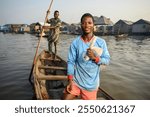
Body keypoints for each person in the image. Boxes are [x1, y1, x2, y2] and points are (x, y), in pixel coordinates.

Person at [63, 13, 110, 100]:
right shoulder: (75, 43)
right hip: (76, 82)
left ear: (93, 25)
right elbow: (70, 62)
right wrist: (70, 80)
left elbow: (107, 60)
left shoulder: (101, 42)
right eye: (84, 23)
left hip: (91, 85)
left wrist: (95, 58)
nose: (86, 25)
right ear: (81, 25)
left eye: (89, 23)